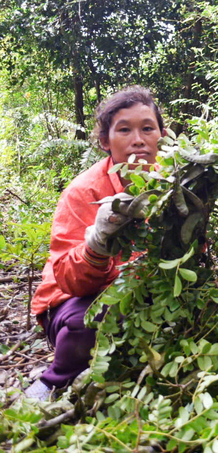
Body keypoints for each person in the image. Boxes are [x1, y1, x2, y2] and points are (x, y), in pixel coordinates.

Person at [25, 86, 165, 400]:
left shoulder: (175, 184)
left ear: (162, 136)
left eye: (147, 128)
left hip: (145, 292)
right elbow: (68, 279)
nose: (138, 140)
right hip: (74, 300)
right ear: (105, 141)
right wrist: (98, 244)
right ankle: (52, 382)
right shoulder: (83, 191)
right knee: (93, 321)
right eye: (124, 130)